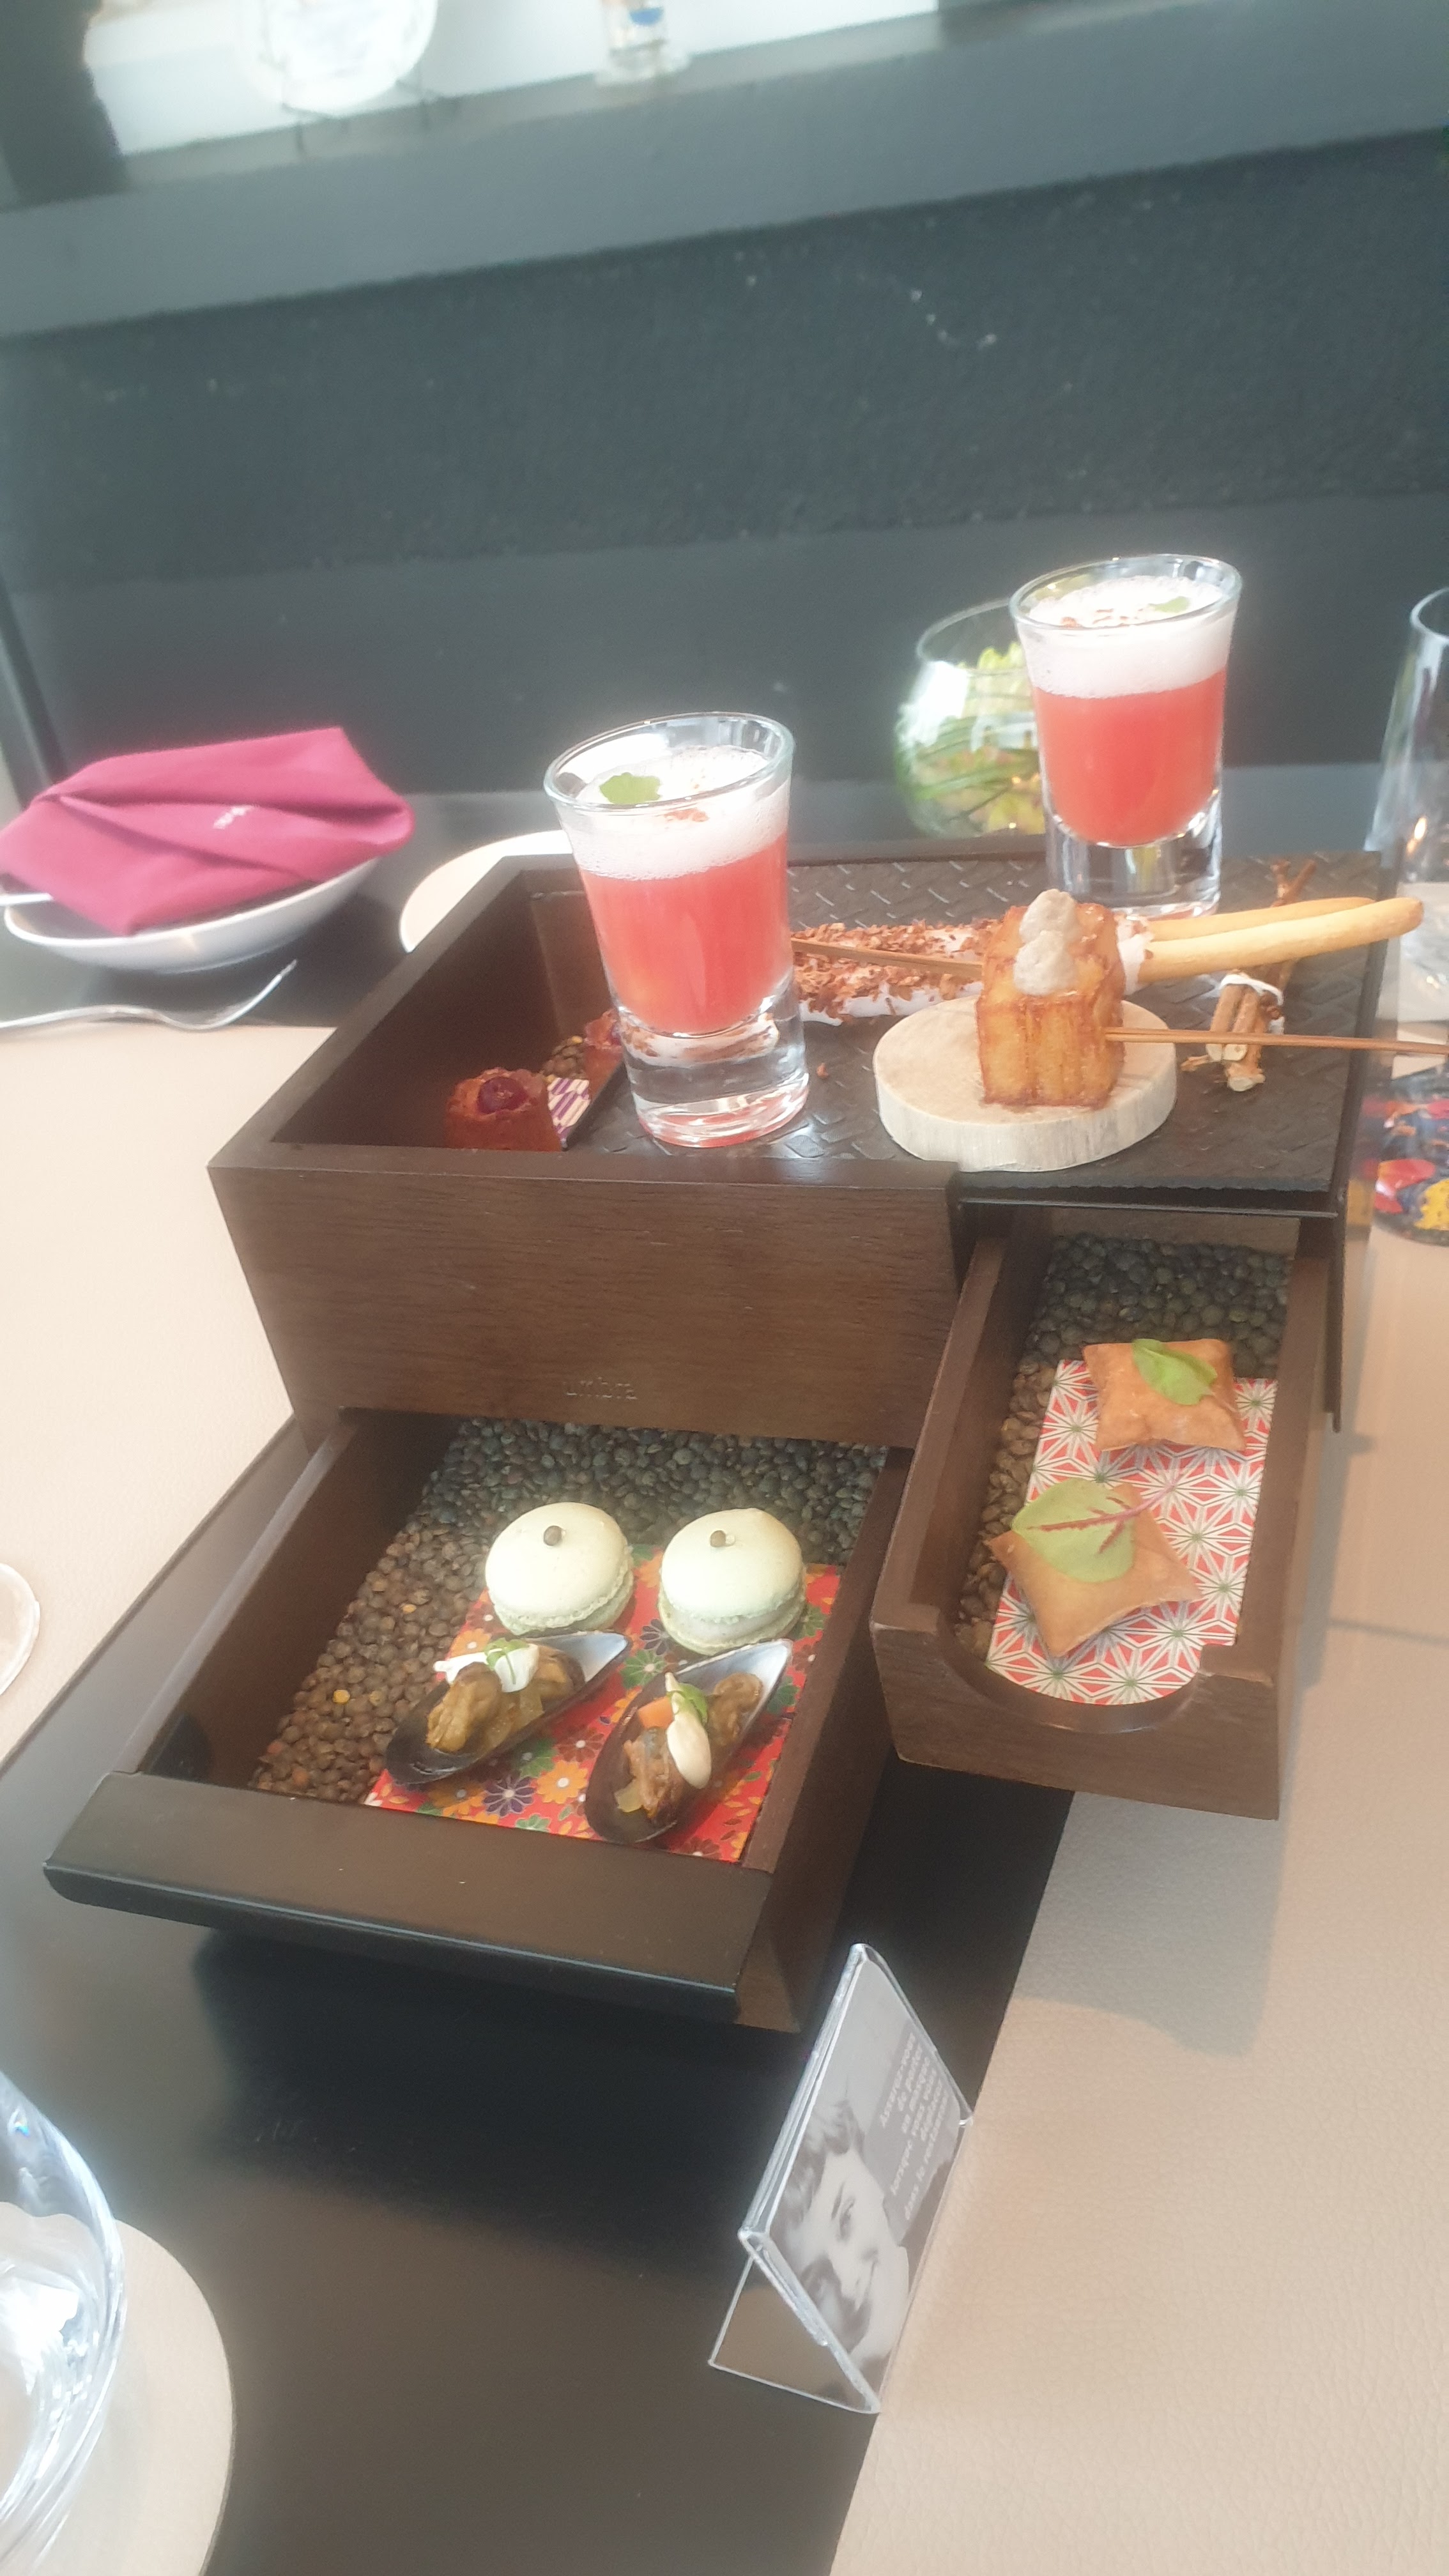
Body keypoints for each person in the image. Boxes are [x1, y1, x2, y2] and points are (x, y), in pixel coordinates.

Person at [772, 2094, 947, 2389]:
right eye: (816, 2285)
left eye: (846, 2219)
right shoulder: (832, 2398)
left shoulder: (953, 2192)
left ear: (868, 2171)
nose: (846, 2284)